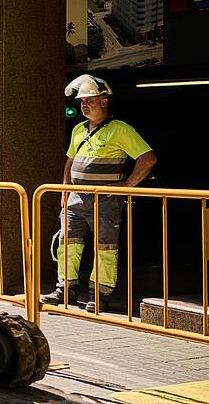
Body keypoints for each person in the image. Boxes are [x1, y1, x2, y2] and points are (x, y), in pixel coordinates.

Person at [40, 74, 156, 313]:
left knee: (105, 248)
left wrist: (126, 187)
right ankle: (65, 290)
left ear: (104, 101)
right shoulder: (78, 130)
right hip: (75, 198)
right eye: (81, 101)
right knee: (66, 244)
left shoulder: (120, 130)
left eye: (89, 100)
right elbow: (69, 163)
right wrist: (64, 190)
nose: (83, 105)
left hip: (105, 201)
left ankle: (100, 296)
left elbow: (148, 158)